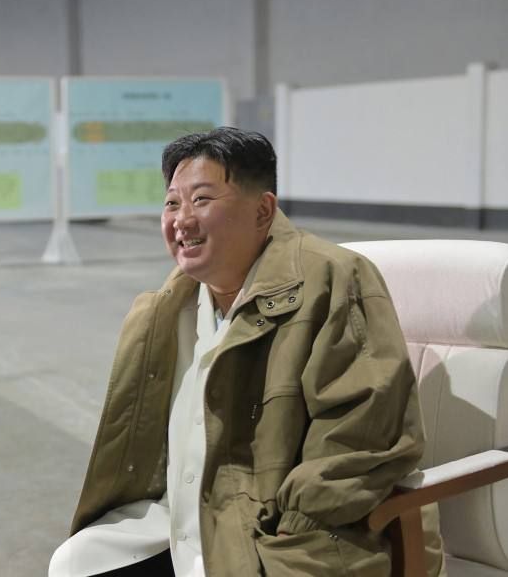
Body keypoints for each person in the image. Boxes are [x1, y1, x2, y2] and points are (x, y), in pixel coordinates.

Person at [49, 128, 444, 576]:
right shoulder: (167, 308)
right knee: (76, 562)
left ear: (263, 210)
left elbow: (359, 441)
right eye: (172, 203)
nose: (182, 220)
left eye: (201, 199)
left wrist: (290, 536)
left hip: (277, 533)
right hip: (180, 518)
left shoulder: (335, 279)